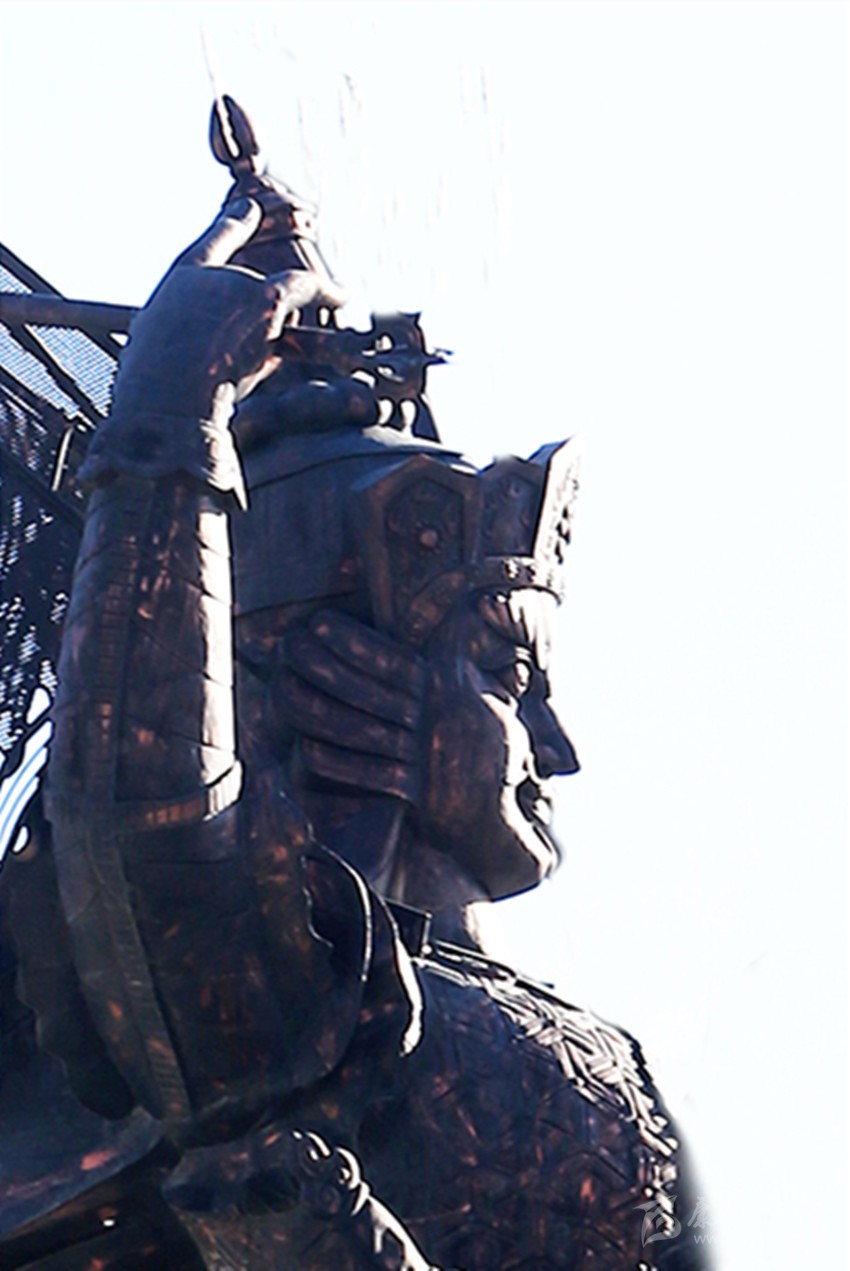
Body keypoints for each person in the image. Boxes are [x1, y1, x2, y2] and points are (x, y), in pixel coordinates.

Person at [0, 106, 706, 1269]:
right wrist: (171, 420)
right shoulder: (282, 1019)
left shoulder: (619, 1069)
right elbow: (152, 855)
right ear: (331, 675)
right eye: (509, 674)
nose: (556, 744)